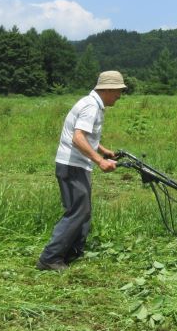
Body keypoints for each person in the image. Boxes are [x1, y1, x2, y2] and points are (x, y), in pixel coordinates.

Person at [36, 70, 127, 271]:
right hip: (72, 166)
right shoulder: (90, 107)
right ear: (108, 89)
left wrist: (103, 150)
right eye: (118, 91)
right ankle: (49, 258)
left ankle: (73, 251)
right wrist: (100, 161)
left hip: (76, 164)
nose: (120, 96)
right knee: (77, 212)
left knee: (82, 211)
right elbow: (77, 138)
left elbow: (87, 136)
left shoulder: (93, 104)